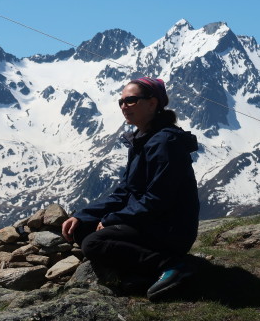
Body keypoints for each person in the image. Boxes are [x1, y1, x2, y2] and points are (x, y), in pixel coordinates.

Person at [61, 77, 199, 300]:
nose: (124, 106)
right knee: (82, 227)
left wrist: (113, 219)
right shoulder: (143, 139)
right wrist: (84, 215)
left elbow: (158, 199)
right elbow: (126, 191)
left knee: (94, 243)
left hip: (170, 229)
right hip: (152, 222)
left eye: (131, 100)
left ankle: (172, 265)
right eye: (121, 102)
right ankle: (142, 272)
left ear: (152, 103)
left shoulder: (165, 143)